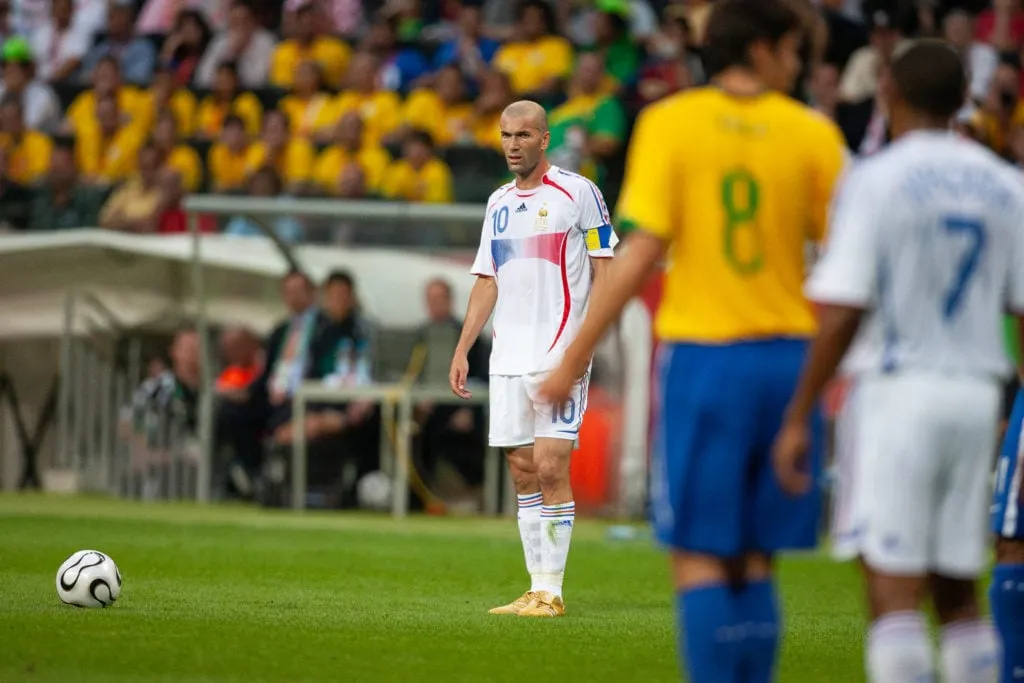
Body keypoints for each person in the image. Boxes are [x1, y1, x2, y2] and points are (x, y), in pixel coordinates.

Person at [538, 0, 846, 678]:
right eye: (794, 51)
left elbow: (643, 249)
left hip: (706, 360)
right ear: (761, 49)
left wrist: (575, 353)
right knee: (759, 551)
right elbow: (846, 260)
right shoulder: (813, 134)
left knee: (701, 553)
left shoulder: (671, 122)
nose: (798, 65)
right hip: (789, 362)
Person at [774, 41, 1019, 683]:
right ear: (965, 98)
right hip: (976, 397)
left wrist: (800, 411)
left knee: (892, 589)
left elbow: (845, 307)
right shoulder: (1005, 183)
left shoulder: (874, 179)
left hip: (897, 394)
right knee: (959, 587)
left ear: (889, 93)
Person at [448, 99, 617, 618]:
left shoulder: (579, 192)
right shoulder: (497, 203)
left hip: (560, 353)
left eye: (523, 135)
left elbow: (605, 267)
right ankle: (534, 588)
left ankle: (553, 591)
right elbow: (487, 279)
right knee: (522, 472)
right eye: (505, 135)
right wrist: (462, 348)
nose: (513, 145)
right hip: (507, 358)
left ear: (545, 139)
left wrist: (586, 346)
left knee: (550, 465)